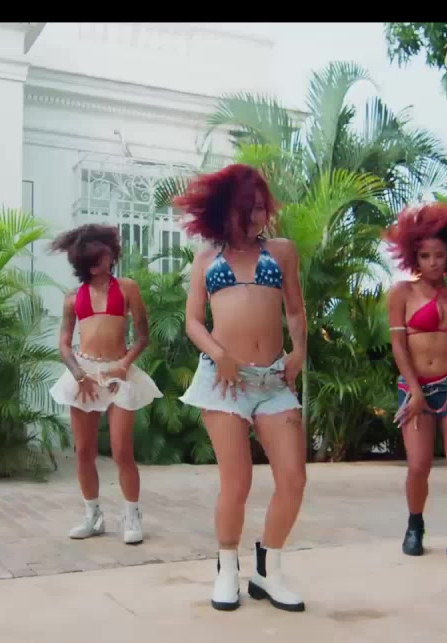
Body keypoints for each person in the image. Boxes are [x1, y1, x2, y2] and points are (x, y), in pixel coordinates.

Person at [173, 164, 308, 613]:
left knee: (293, 478)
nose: (253, 218)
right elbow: (193, 321)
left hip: (273, 380)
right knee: (237, 481)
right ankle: (227, 568)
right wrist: (220, 354)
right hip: (223, 382)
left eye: (259, 209)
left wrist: (299, 351)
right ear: (221, 210)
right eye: (243, 209)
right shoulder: (206, 259)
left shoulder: (282, 251)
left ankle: (269, 569)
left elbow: (294, 310)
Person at [49, 224, 162, 545]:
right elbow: (64, 345)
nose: (103, 263)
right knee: (84, 452)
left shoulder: (127, 288)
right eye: (95, 259)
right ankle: (93, 516)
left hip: (119, 373)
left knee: (122, 451)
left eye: (106, 256)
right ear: (83, 263)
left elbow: (143, 337)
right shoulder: (73, 298)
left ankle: (132, 515)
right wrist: (78, 375)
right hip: (85, 375)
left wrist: (123, 365)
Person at [384, 203, 447, 559]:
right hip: (415, 389)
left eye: (439, 255)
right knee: (418, 466)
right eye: (425, 256)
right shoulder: (402, 293)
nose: (433, 262)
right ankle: (415, 527)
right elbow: (399, 346)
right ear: (414, 257)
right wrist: (414, 390)